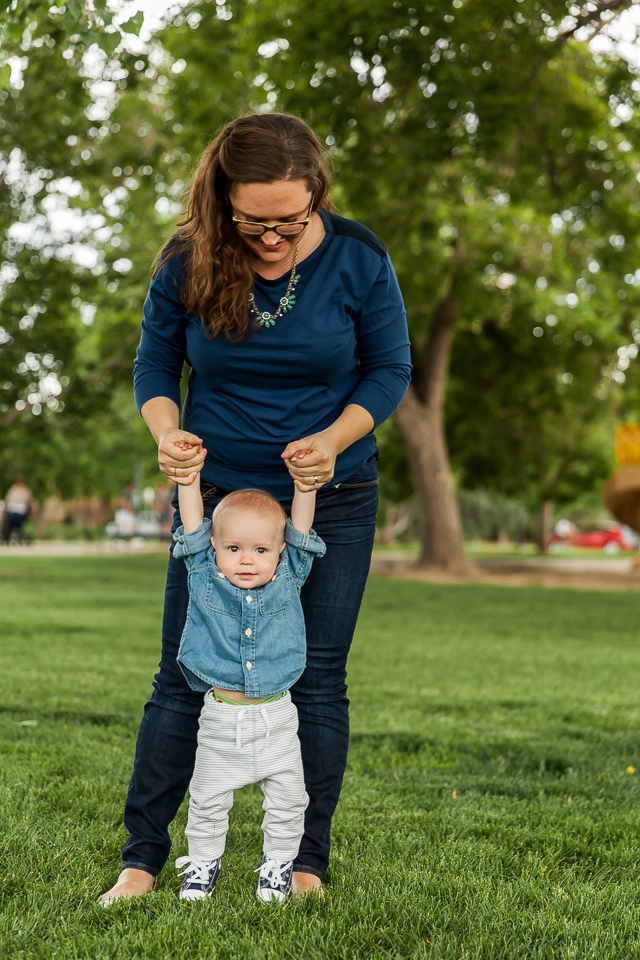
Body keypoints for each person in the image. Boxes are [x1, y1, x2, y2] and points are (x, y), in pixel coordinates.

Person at [100, 112, 411, 904]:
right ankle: (143, 859)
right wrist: (168, 433)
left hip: (333, 495)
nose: (272, 238)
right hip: (215, 504)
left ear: (318, 198)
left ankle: (304, 864)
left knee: (318, 680)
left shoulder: (359, 257)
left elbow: (388, 369)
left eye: (290, 221)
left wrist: (336, 438)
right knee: (182, 675)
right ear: (221, 203)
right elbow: (154, 363)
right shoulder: (186, 258)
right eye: (253, 222)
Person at [167, 450, 324, 904]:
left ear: (279, 552)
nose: (247, 560)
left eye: (260, 550)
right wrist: (189, 479)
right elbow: (195, 527)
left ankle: (277, 867)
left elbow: (299, 529)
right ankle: (202, 866)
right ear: (217, 548)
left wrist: (305, 487)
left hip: (277, 719)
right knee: (208, 801)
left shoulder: (290, 575)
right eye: (234, 548)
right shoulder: (203, 575)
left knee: (290, 802)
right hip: (220, 721)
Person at [2, 475, 33, 544]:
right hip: (12, 510)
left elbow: (29, 502)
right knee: (8, 521)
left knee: (16, 519)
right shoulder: (13, 490)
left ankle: (15, 537)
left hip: (20, 511)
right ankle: (6, 537)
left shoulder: (26, 491)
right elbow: (7, 500)